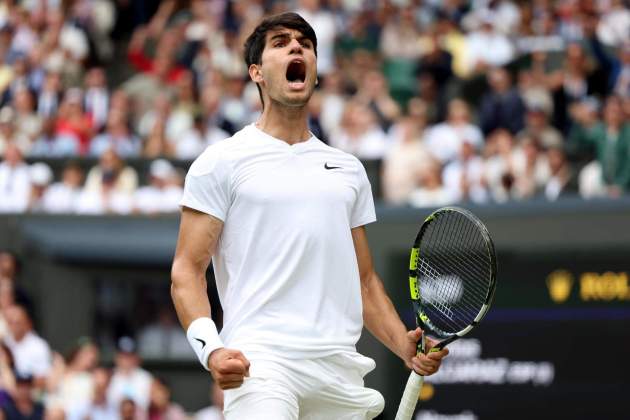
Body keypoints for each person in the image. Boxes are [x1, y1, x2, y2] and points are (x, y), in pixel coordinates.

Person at [171, 13, 448, 420]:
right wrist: (211, 349)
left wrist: (402, 345)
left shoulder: (348, 170)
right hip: (262, 364)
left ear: (315, 70)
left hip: (339, 372)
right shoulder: (220, 162)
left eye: (305, 43)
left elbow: (364, 281)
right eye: (280, 43)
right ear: (257, 72)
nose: (297, 47)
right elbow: (186, 272)